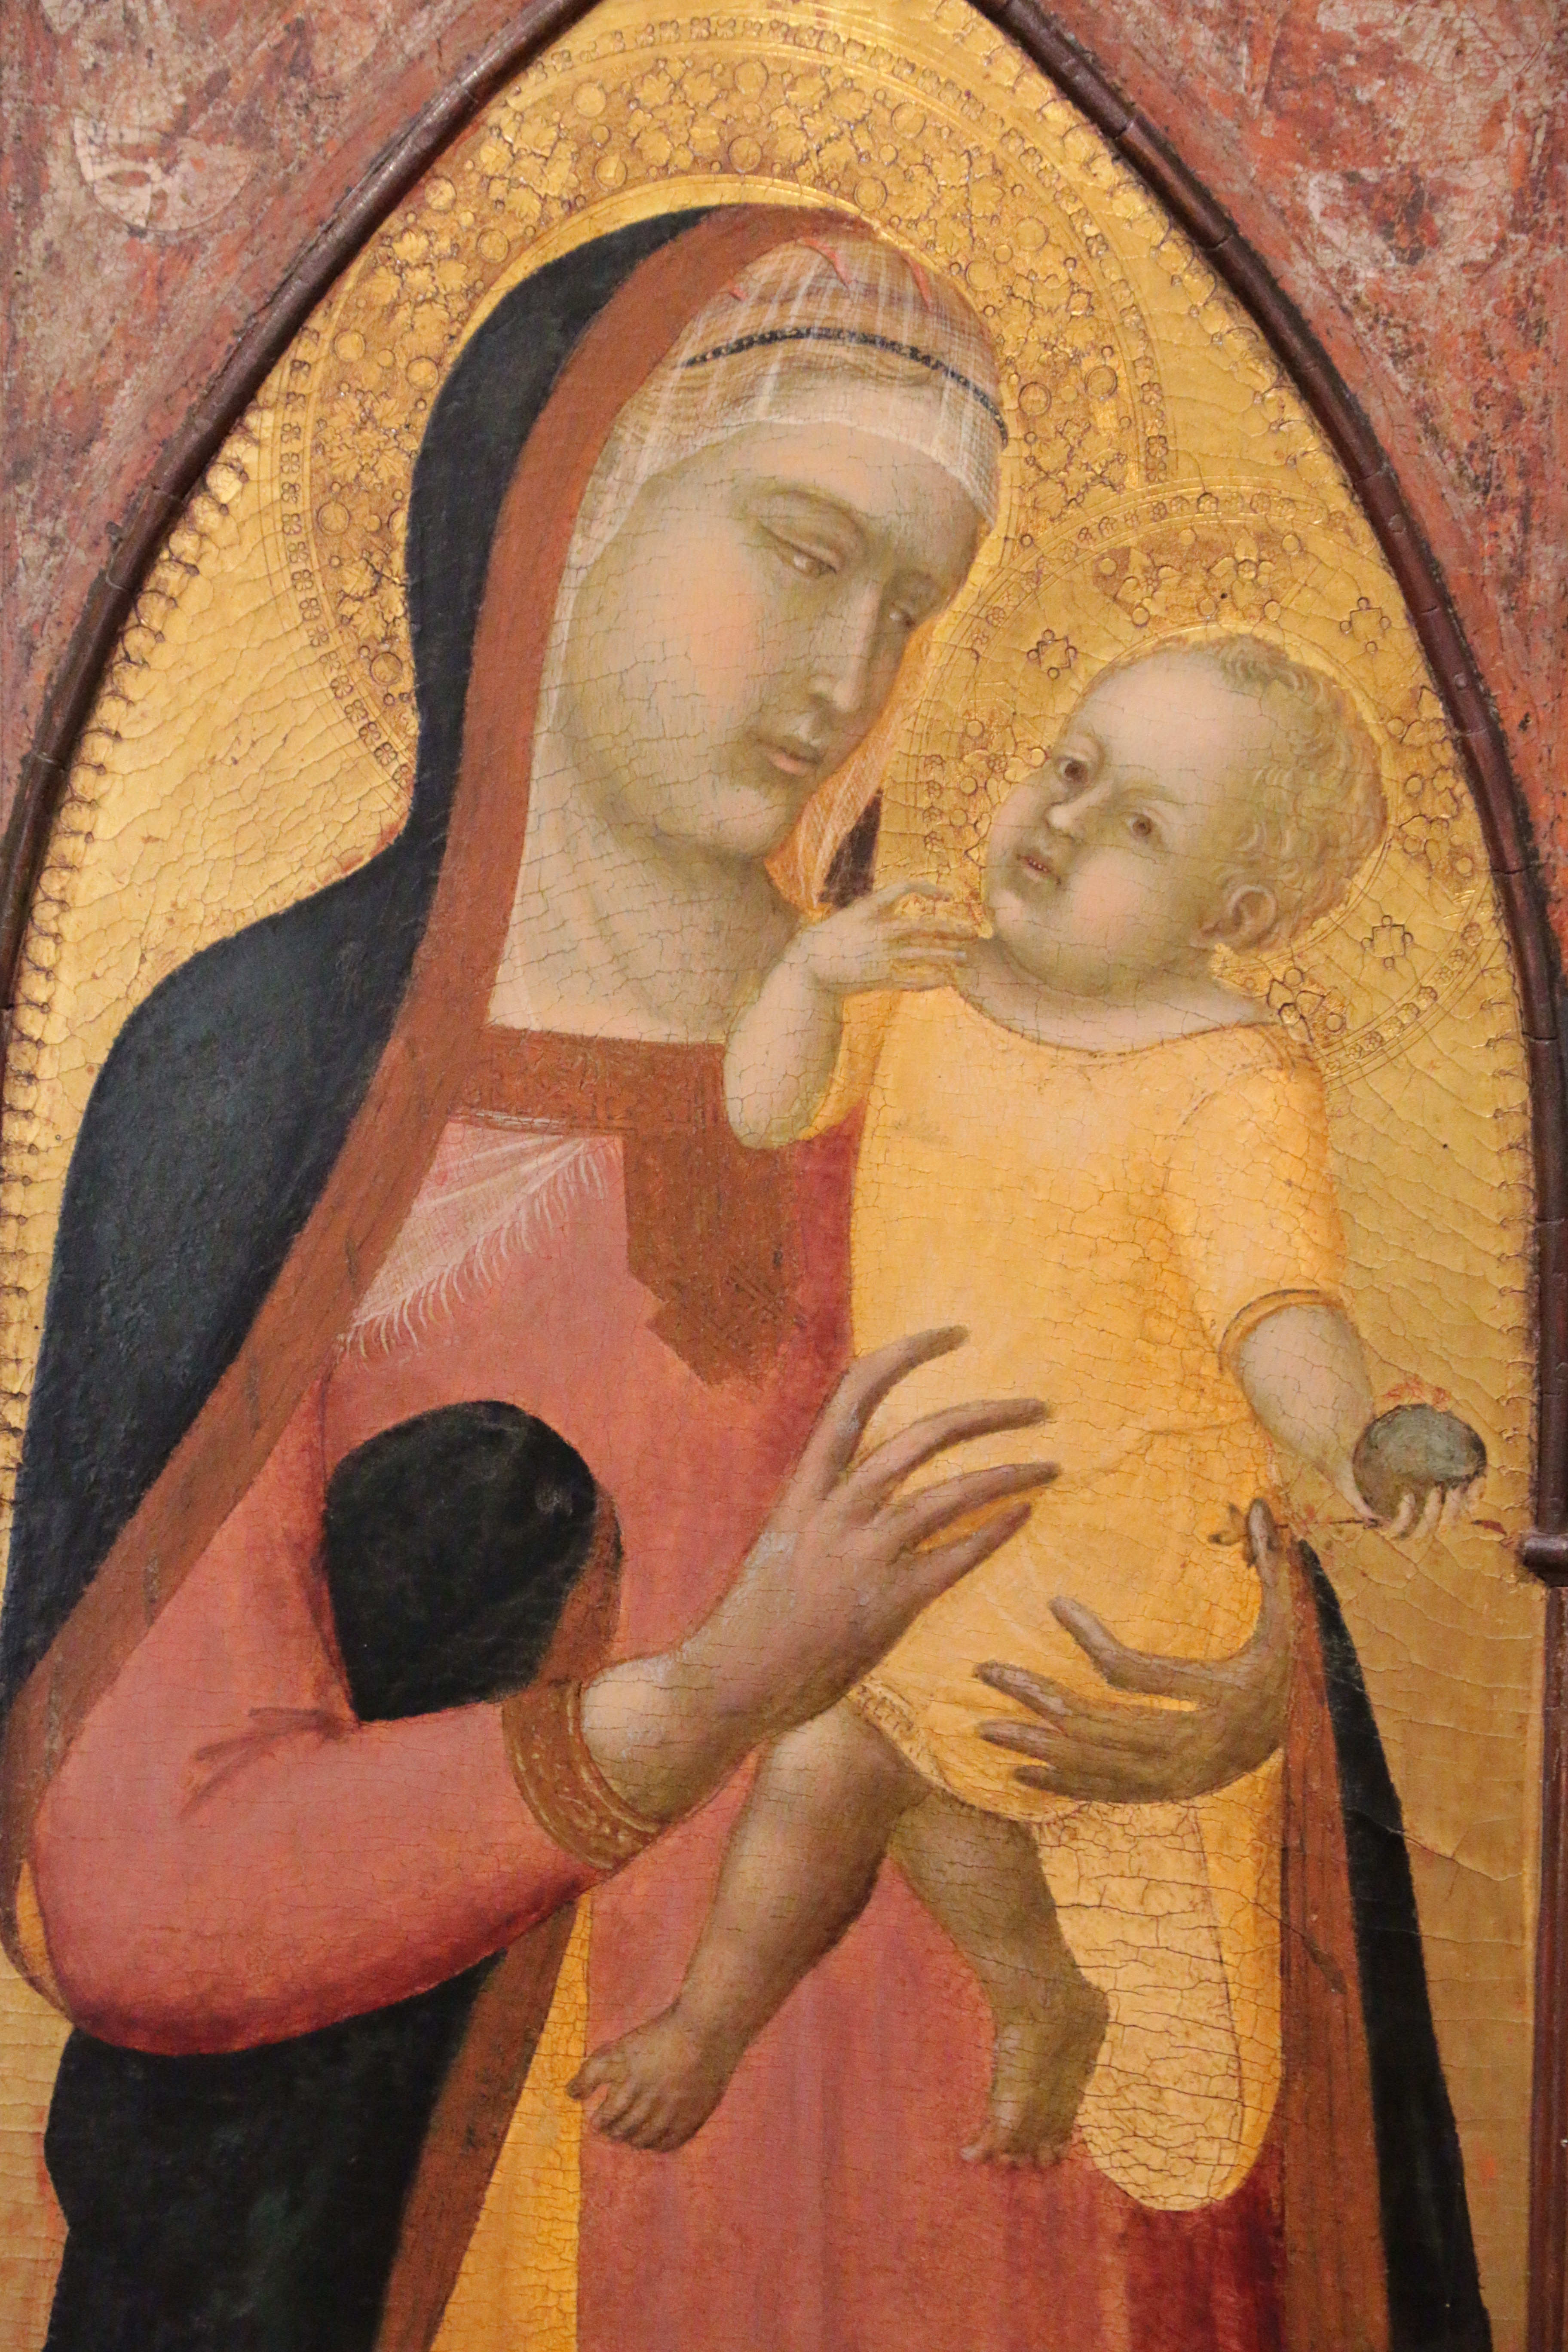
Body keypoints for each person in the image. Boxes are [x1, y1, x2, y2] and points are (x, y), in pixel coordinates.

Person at [0, 212, 1485, 2352]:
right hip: (530, 2250)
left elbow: (1168, 1442)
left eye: (912, 610)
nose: (850, 678)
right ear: (574, 501)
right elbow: (123, 1884)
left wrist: (1251, 1712)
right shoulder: (263, 1077)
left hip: (1042, 2253)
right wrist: (704, 1700)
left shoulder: (962, 1047)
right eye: (801, 552)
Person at [576, 634, 1486, 2216]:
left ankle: (773, 2023)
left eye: (1140, 823)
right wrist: (811, 978)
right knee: (860, 1762)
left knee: (885, 1764)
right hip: (929, 1543)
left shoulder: (1230, 1081)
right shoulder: (927, 977)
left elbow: (1279, 1311)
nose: (1064, 819)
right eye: (1071, 769)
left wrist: (1355, 1442)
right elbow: (763, 1107)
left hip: (1101, 1585)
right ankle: (991, 2001)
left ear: (1235, 914)